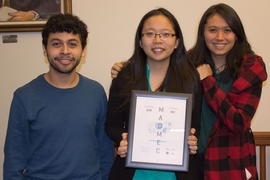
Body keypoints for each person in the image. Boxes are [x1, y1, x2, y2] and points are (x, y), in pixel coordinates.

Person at [110, 3, 268, 180]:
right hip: (193, 161)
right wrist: (125, 69)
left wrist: (208, 81)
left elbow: (238, 122)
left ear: (237, 34)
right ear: (203, 34)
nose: (220, 37)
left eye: (227, 30)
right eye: (213, 30)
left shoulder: (251, 68)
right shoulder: (190, 63)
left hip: (229, 161)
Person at [3, 13, 114, 180]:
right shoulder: (24, 97)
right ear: (44, 49)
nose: (65, 51)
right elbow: (13, 163)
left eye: (72, 44)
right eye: (56, 44)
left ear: (83, 50)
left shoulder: (96, 92)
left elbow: (105, 151)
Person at [105, 8, 202, 180]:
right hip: (133, 173)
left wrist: (192, 140)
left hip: (176, 174)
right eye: (150, 34)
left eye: (165, 34)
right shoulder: (124, 76)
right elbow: (112, 123)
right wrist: (123, 138)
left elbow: (195, 126)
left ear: (177, 41)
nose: (157, 40)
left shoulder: (191, 79)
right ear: (140, 41)